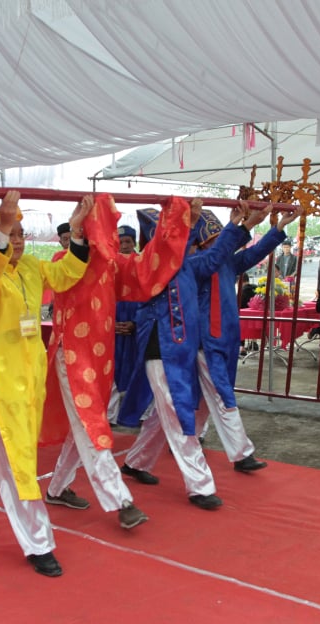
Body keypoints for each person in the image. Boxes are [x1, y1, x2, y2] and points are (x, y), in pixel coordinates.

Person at [0, 191, 88, 578]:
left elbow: (67, 274)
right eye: (10, 233)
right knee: (19, 461)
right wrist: (0, 226)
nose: (17, 240)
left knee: (12, 452)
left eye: (20, 233)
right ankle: (38, 541)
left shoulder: (31, 267)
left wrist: (77, 231)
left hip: (29, 378)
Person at [39, 195, 188, 530]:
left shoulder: (112, 264)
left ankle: (57, 487)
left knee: (86, 425)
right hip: (73, 356)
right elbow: (67, 272)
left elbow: (149, 269)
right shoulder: (66, 259)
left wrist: (173, 220)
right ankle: (121, 500)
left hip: (100, 358)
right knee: (92, 427)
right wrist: (79, 237)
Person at [116, 200, 260, 509]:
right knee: (179, 416)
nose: (188, 240)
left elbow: (219, 256)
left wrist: (241, 226)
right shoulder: (147, 266)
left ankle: (136, 462)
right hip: (160, 351)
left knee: (166, 414)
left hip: (183, 352)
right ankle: (200, 485)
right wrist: (190, 219)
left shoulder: (189, 267)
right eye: (181, 234)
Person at [192, 203, 298, 475]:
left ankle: (181, 439)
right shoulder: (197, 264)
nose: (221, 243)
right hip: (207, 340)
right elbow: (224, 249)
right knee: (222, 394)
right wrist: (243, 225)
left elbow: (255, 253)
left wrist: (277, 228)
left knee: (205, 397)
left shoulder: (225, 262)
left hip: (224, 338)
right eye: (214, 239)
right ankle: (241, 453)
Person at [107, 225, 140, 423]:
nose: (125, 246)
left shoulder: (142, 264)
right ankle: (110, 415)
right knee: (111, 370)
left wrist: (135, 323)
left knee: (138, 368)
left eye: (128, 241)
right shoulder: (109, 265)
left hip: (137, 324)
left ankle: (139, 414)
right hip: (112, 323)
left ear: (134, 243)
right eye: (121, 242)